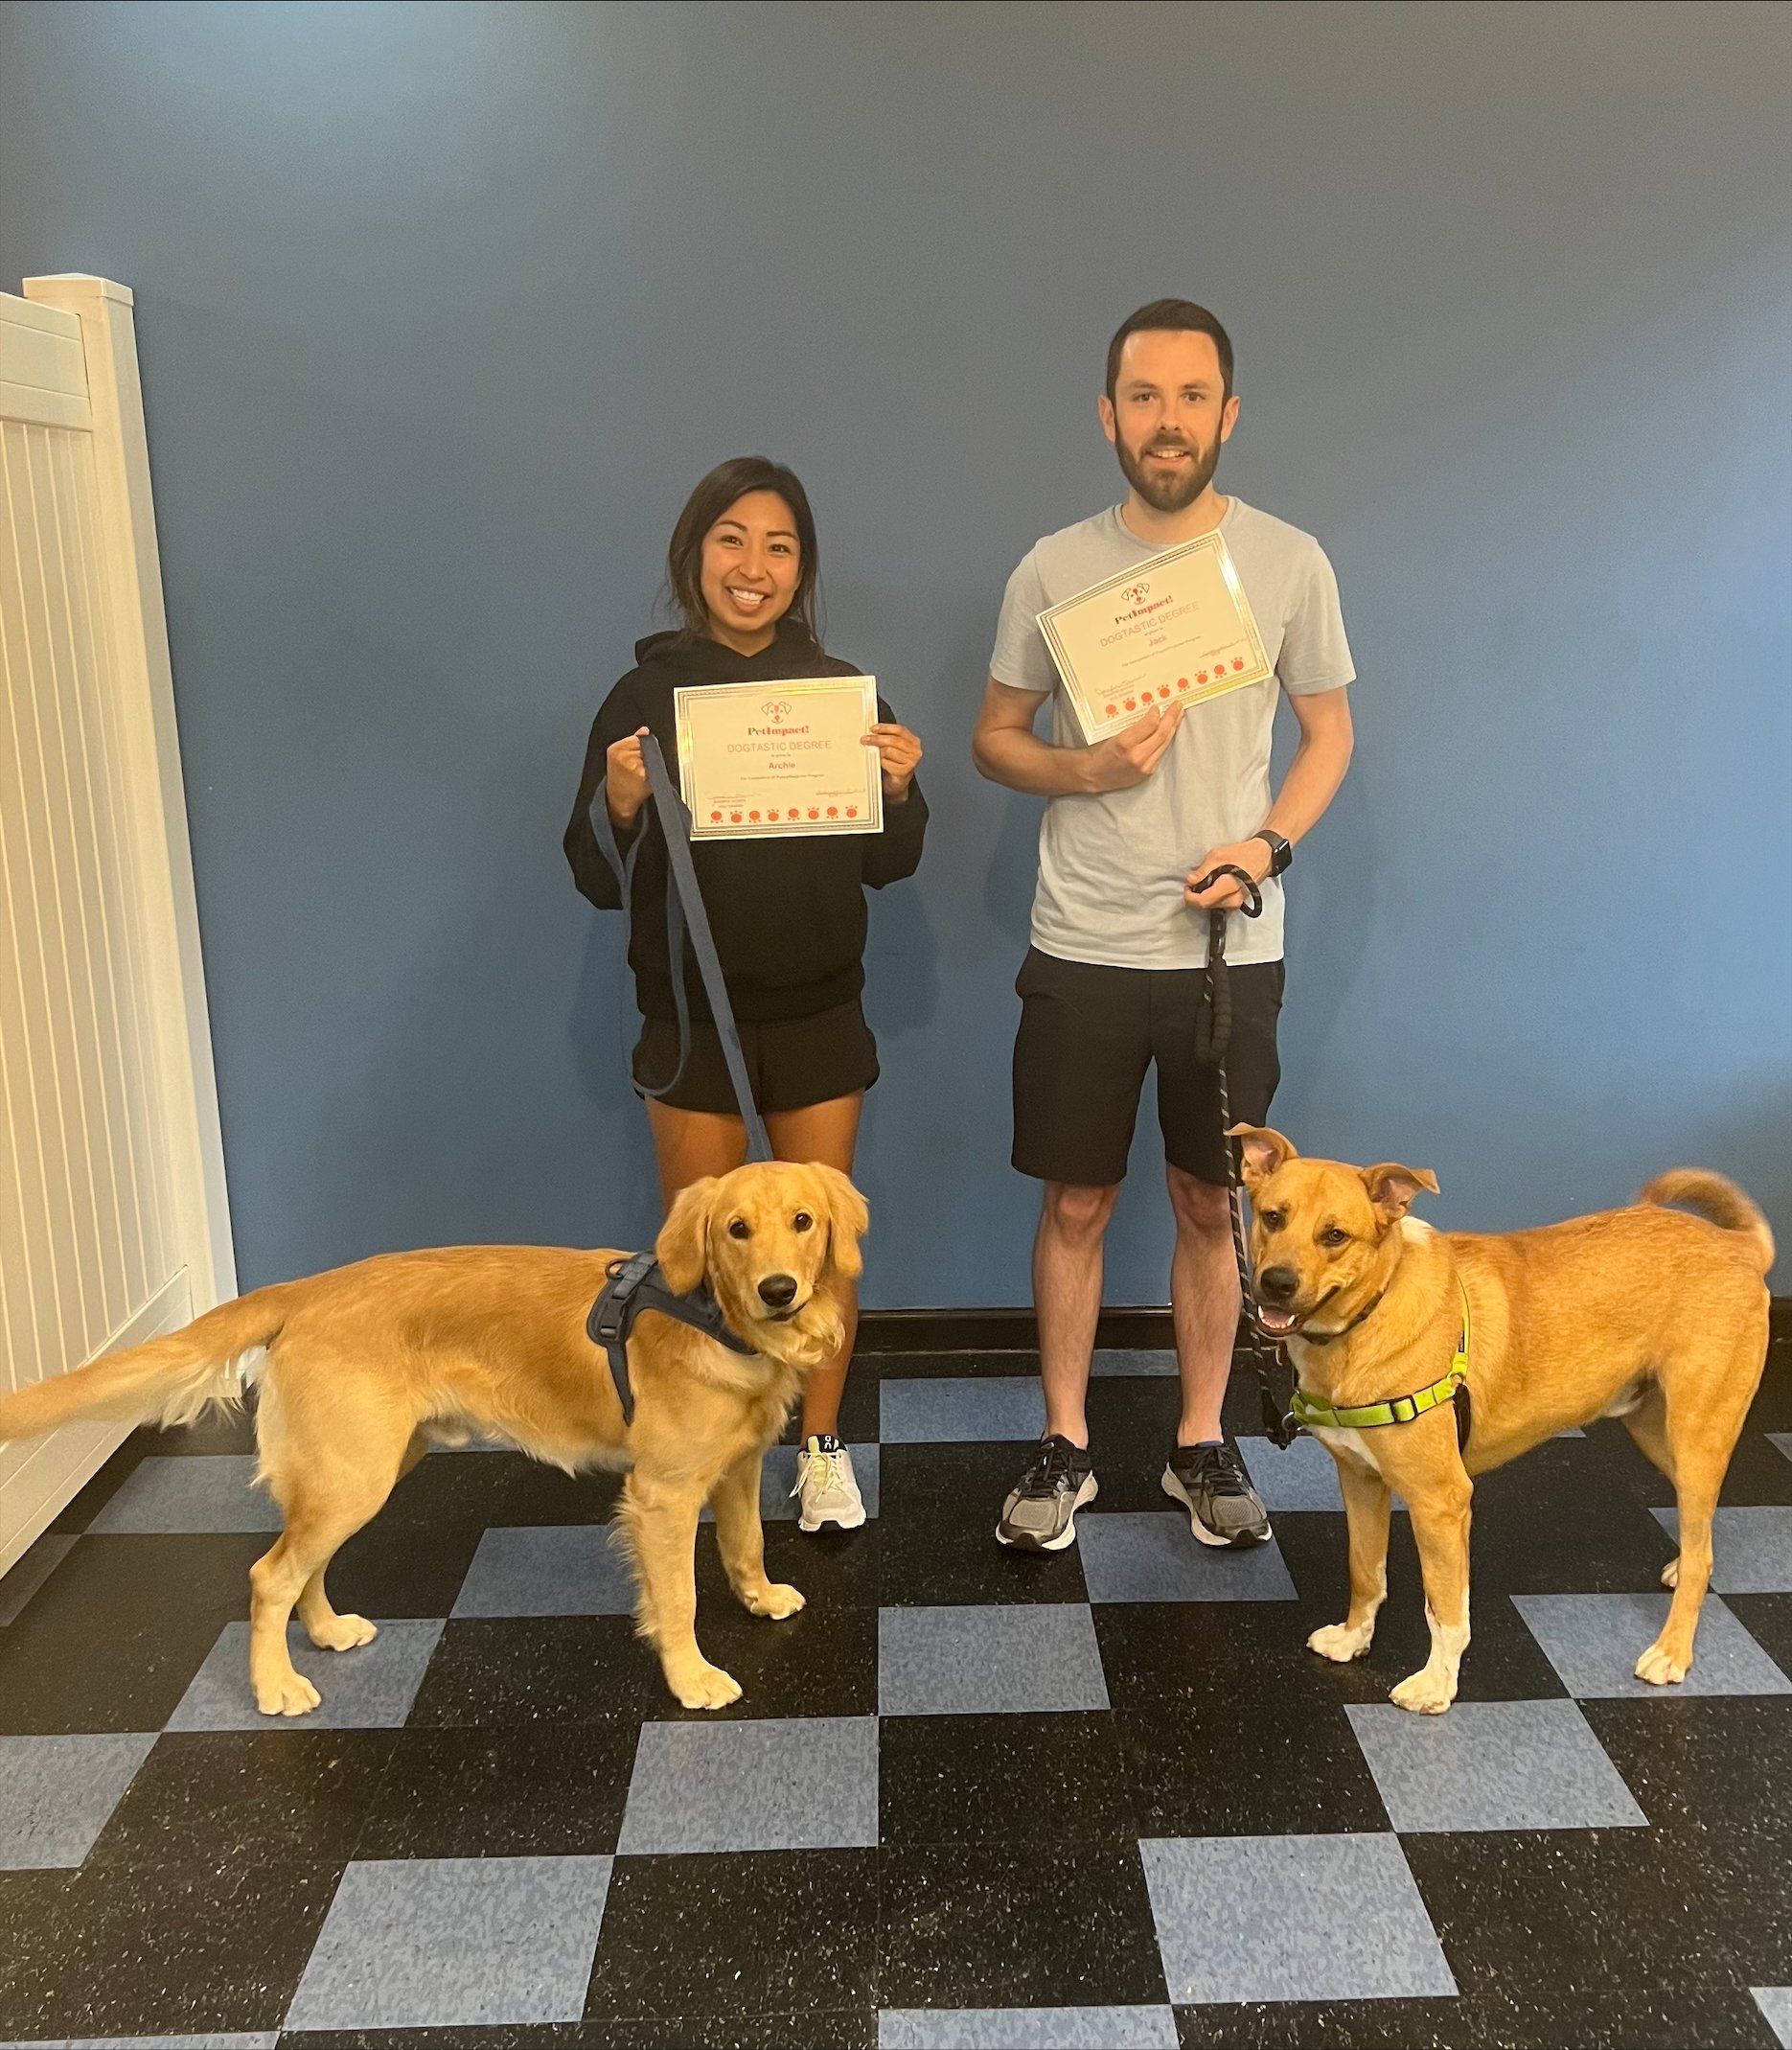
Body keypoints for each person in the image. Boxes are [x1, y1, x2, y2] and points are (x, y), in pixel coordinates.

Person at [973, 300, 1355, 1553]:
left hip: (1226, 954)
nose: (1168, 419)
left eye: (1192, 396)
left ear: (1226, 415)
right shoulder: (1051, 565)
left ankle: (1200, 1439)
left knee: (1209, 1202)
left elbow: (1329, 734)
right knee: (1075, 1202)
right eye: (1144, 396)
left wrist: (1263, 846)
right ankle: (1064, 1439)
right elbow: (995, 736)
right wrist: (1081, 771)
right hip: (1081, 942)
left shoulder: (1289, 560)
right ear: (1108, 415)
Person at [565, 456, 927, 1531]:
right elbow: (590, 871)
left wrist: (898, 789)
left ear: (801, 567)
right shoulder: (639, 699)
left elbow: (888, 862)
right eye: (731, 540)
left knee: (816, 1253)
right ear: (694, 555)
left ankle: (820, 1450)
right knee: (696, 1263)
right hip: (689, 1024)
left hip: (819, 1014)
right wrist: (622, 803)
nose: (753, 566)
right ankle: (709, 1458)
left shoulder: (841, 693)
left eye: (778, 546)